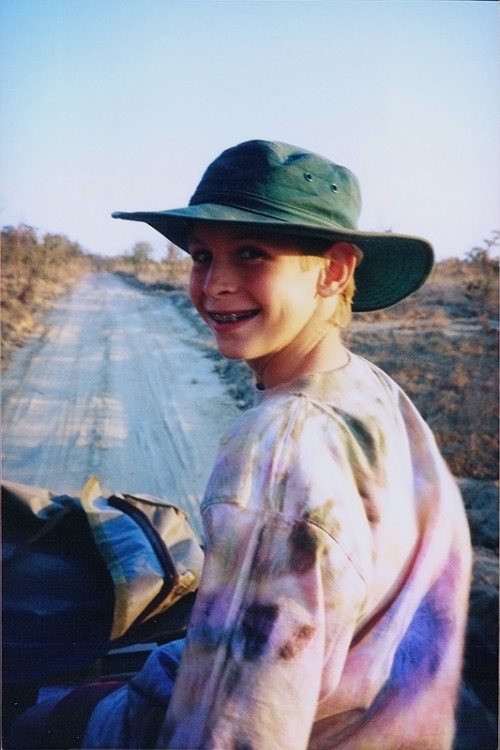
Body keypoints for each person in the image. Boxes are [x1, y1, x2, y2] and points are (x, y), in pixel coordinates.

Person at [10, 140, 472, 749]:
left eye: (251, 254)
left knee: (31, 721)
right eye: (202, 256)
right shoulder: (373, 392)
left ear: (334, 270)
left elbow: (235, 726)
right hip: (404, 722)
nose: (216, 284)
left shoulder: (276, 452)